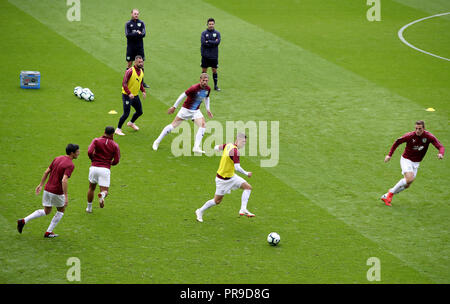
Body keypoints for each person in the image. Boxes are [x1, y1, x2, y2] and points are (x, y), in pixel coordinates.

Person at [17, 144, 80, 238]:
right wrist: (66, 197)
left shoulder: (57, 158)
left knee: (47, 211)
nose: (79, 153)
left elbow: (46, 171)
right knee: (61, 210)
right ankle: (48, 232)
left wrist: (41, 184)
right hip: (57, 192)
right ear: (72, 153)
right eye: (77, 151)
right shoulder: (70, 164)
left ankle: (23, 220)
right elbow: (64, 180)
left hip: (47, 189)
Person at [381, 120, 445, 206]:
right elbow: (397, 142)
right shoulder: (410, 136)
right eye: (416, 128)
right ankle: (390, 193)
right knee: (409, 179)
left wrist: (441, 153)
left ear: (424, 128)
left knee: (407, 185)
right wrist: (389, 155)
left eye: (420, 129)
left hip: (416, 163)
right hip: (406, 160)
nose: (418, 131)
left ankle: (385, 196)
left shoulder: (429, 137)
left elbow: (440, 146)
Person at [195, 133, 254, 222]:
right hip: (222, 180)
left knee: (248, 187)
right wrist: (247, 173)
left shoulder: (229, 145)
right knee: (216, 201)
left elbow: (217, 147)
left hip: (232, 177)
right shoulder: (235, 152)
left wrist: (216, 149)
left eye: (245, 142)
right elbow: (237, 167)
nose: (244, 143)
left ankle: (243, 209)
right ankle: (199, 211)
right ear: (237, 140)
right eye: (242, 141)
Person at [152, 73, 213, 153]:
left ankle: (196, 147)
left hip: (196, 111)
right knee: (173, 126)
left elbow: (207, 98)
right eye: (203, 80)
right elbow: (182, 95)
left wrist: (208, 109)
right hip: (185, 110)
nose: (205, 82)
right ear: (200, 80)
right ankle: (157, 142)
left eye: (206, 81)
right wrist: (174, 107)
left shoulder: (208, 89)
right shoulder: (194, 88)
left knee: (203, 125)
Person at [86, 126, 121, 212]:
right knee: (105, 191)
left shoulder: (96, 140)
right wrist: (110, 163)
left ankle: (89, 208)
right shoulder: (115, 145)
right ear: (113, 134)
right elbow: (116, 160)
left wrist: (92, 159)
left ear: (104, 131)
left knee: (91, 188)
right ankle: (102, 195)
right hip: (105, 169)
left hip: (94, 167)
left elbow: (90, 151)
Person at [115, 55, 147, 136]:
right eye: (139, 62)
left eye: (142, 62)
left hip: (135, 96)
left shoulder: (142, 70)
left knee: (139, 111)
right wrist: (129, 93)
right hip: (127, 95)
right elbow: (124, 84)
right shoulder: (130, 71)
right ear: (135, 62)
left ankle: (131, 123)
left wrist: (143, 91)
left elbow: (140, 83)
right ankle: (118, 129)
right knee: (126, 113)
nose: (141, 63)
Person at [125, 8, 149, 88]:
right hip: (131, 47)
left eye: (137, 14)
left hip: (139, 47)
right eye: (135, 14)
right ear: (131, 14)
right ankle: (126, 82)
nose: (136, 15)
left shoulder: (141, 23)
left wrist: (135, 34)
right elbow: (127, 35)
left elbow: (143, 34)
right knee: (129, 64)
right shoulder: (128, 24)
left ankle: (141, 83)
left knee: (141, 64)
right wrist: (136, 33)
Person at [201, 18, 221, 91]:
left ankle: (215, 86)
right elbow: (203, 43)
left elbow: (217, 43)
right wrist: (213, 42)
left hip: (214, 55)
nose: (211, 25)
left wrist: (208, 41)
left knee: (214, 70)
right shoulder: (204, 33)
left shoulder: (217, 33)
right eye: (210, 24)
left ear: (214, 24)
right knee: (204, 72)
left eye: (212, 24)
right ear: (207, 24)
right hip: (205, 55)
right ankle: (202, 86)